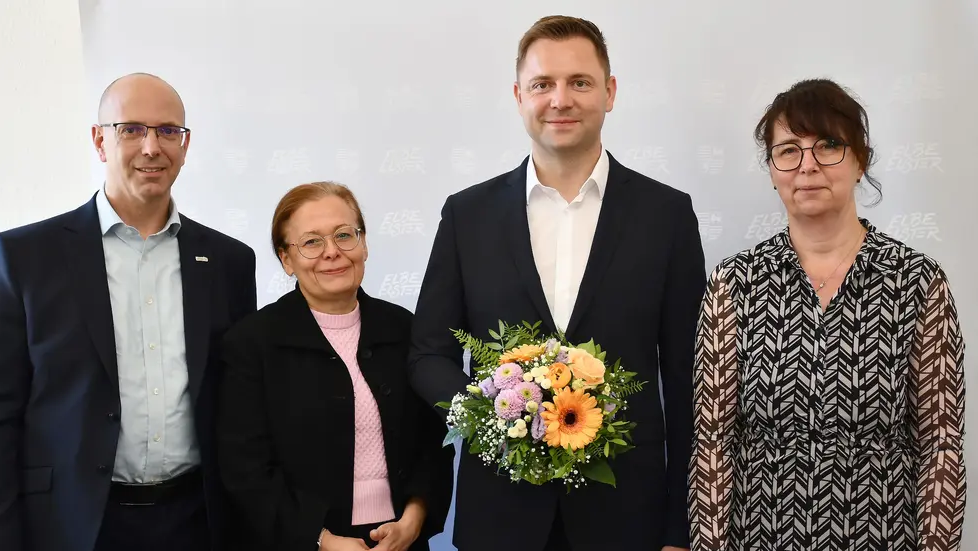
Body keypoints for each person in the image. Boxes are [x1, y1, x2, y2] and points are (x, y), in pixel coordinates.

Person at [408, 15, 704, 551]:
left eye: (580, 82)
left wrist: (681, 528)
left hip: (627, 517)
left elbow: (688, 378)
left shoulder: (667, 215)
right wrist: (492, 415)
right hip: (500, 514)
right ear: (519, 96)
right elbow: (429, 354)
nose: (560, 100)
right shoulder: (467, 216)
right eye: (543, 84)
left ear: (610, 92)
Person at [689, 78, 966, 551]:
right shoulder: (735, 283)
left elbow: (941, 444)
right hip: (760, 536)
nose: (808, 165)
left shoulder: (916, 280)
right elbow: (713, 441)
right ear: (772, 170)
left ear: (861, 160)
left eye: (829, 146)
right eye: (789, 151)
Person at [0, 73, 257, 551]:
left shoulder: (229, 262)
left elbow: (242, 407)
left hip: (199, 522)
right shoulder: (23, 259)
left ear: (185, 145)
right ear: (100, 141)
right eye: (131, 129)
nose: (152, 147)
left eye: (168, 131)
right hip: (73, 526)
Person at [217, 182, 454, 551]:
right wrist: (320, 539)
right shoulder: (252, 342)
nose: (332, 252)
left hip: (399, 539)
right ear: (286, 259)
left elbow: (434, 441)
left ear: (364, 244)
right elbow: (245, 467)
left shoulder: (404, 329)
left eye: (344, 235)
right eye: (311, 242)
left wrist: (413, 519)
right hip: (301, 541)